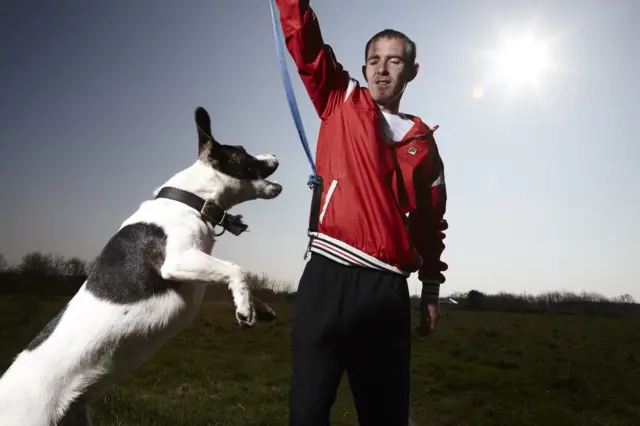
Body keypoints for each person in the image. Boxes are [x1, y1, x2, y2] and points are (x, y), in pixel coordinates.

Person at [274, 1, 448, 425]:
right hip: (325, 279)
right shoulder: (339, 97)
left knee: (385, 416)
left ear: (412, 71)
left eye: (394, 61)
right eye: (373, 61)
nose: (382, 70)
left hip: (385, 293)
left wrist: (429, 288)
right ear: (364, 67)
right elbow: (305, 38)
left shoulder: (423, 145)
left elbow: (430, 223)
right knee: (307, 411)